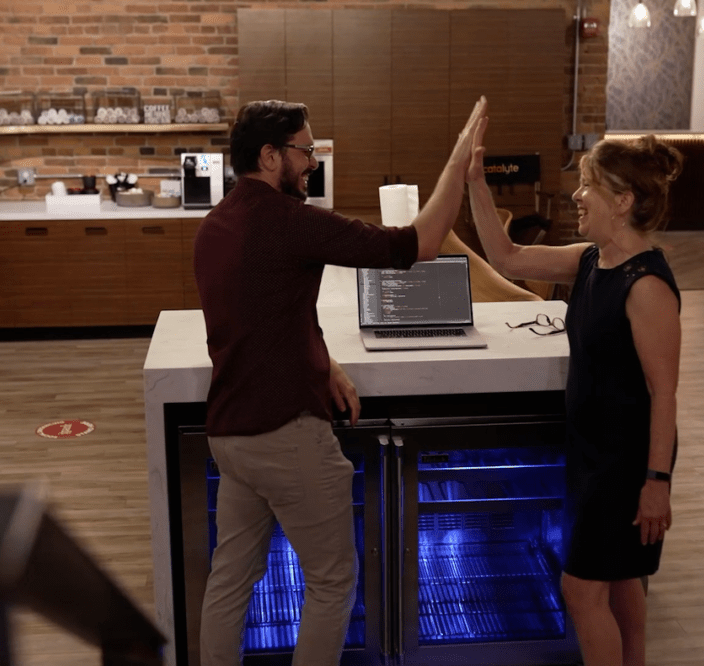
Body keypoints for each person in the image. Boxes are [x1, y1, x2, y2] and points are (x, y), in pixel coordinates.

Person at [194, 96, 487, 666]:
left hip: (230, 435)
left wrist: (324, 364)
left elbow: (267, 311)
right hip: (286, 436)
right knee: (331, 582)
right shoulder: (289, 222)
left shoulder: (215, 226)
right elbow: (417, 245)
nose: (311, 163)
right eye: (304, 151)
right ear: (270, 154)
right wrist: (457, 162)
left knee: (230, 581)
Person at [466, 127, 682, 666]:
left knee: (581, 590)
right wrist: (474, 184)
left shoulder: (646, 286)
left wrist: (657, 483)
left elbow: (665, 395)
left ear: (623, 201)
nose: (577, 196)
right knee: (624, 582)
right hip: (590, 454)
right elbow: (507, 255)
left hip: (625, 464)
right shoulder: (593, 259)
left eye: (588, 186)